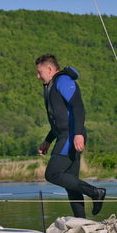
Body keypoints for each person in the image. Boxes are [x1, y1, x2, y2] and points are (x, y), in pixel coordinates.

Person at [35, 54, 107, 218]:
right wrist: (47, 140)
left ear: (49, 69)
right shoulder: (52, 85)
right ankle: (81, 223)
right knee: (72, 184)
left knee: (52, 174)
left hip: (71, 136)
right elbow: (60, 120)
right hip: (65, 135)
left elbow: (78, 107)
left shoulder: (63, 81)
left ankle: (95, 192)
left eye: (40, 72)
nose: (38, 76)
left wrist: (78, 134)